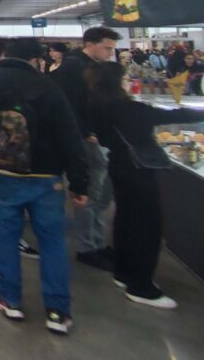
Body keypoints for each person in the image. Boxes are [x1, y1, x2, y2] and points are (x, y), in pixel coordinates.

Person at [0, 37, 89, 335]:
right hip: (46, 175)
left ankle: (9, 296)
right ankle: (57, 309)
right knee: (52, 240)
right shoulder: (49, 88)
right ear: (35, 59)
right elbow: (70, 137)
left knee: (5, 235)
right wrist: (79, 182)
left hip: (0, 170)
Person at [87, 61, 203, 308]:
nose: (130, 81)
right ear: (117, 82)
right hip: (138, 170)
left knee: (126, 220)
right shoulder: (130, 109)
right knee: (148, 227)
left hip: (118, 165)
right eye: (126, 78)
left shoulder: (97, 106)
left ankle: (123, 272)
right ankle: (141, 286)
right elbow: (172, 116)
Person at [54, 26, 120, 271]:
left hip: (96, 136)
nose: (110, 53)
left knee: (100, 195)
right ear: (90, 44)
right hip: (87, 140)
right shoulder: (74, 67)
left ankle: (97, 242)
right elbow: (68, 104)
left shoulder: (91, 66)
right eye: (107, 48)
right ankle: (88, 247)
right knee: (90, 194)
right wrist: (85, 132)